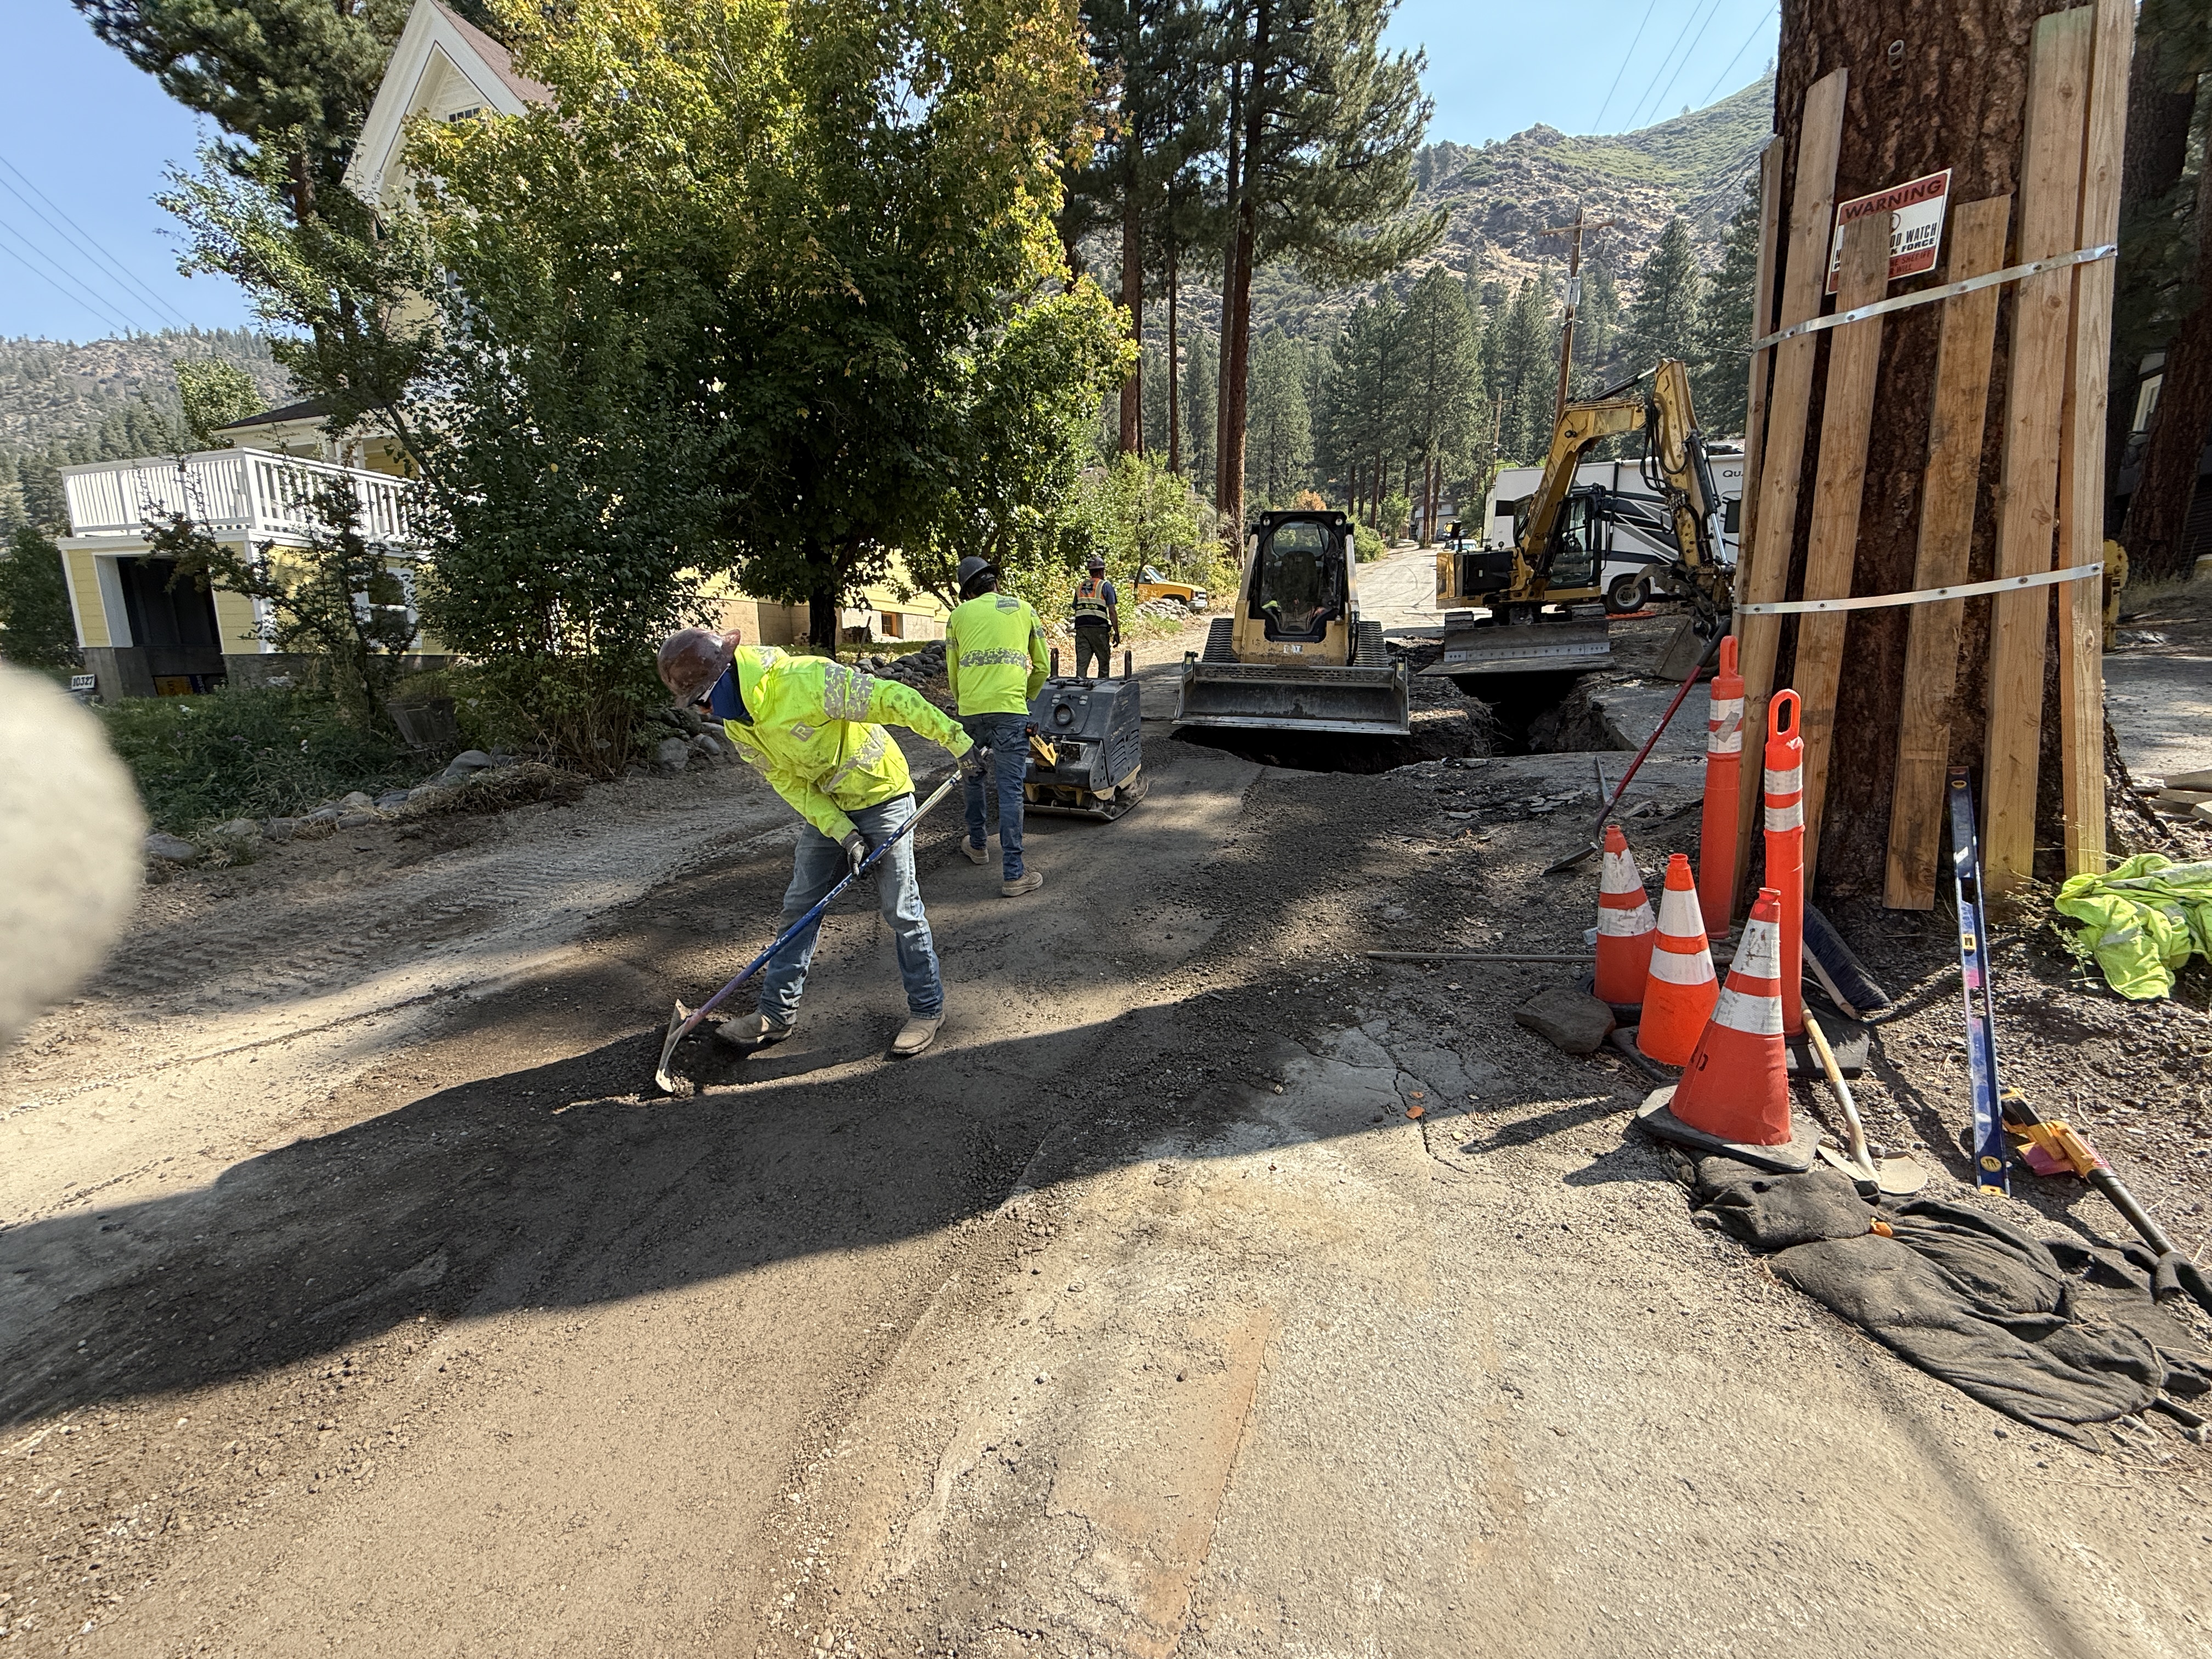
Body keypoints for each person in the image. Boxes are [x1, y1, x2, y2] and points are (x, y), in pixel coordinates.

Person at [656, 626, 985, 1059]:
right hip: (831, 805)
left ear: (728, 675)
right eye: (696, 704)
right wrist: (842, 832)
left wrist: (956, 741)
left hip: (883, 794)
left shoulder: (806, 680)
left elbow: (892, 698)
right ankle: (776, 1013)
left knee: (901, 910)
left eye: (703, 699)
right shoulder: (740, 728)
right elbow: (789, 784)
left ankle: (927, 1009)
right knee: (799, 907)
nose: (704, 712)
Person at [943, 555, 1050, 897]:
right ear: (995, 582)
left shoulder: (957, 616)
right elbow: (1043, 667)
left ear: (967, 592)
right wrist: (1025, 697)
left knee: (972, 778)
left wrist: (965, 705)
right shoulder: (1024, 609)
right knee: (1010, 790)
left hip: (971, 712)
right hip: (1010, 712)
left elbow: (953, 670)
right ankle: (1014, 875)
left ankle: (978, 846)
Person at [1070, 551, 1120, 680]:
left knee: (1082, 665)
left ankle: (1079, 687)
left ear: (1090, 572)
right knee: (1104, 663)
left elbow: (1077, 608)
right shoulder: (1105, 586)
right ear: (1102, 571)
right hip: (1099, 629)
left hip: (1081, 629)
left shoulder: (1080, 587)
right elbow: (1112, 611)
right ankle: (1102, 687)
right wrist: (1116, 632)